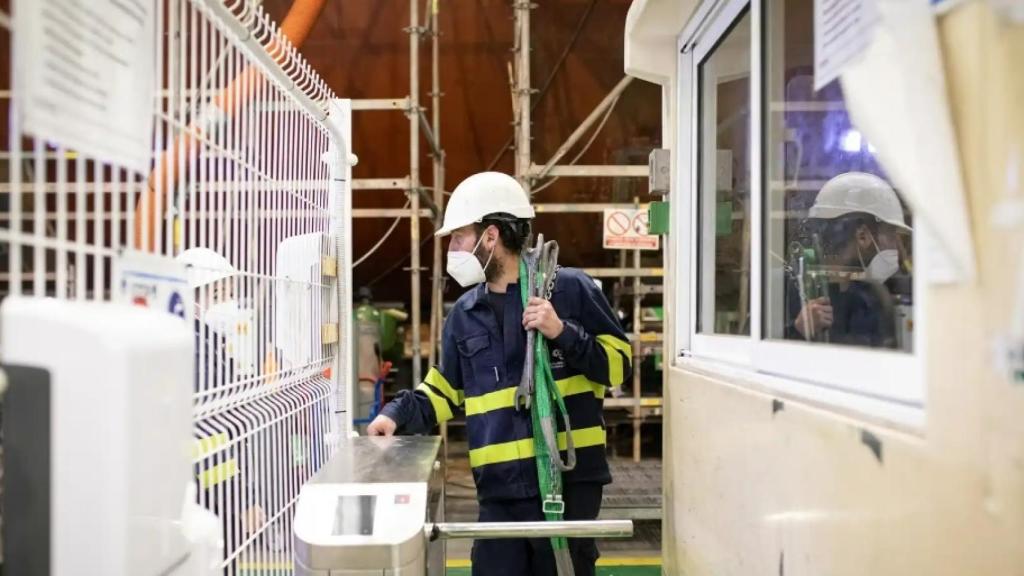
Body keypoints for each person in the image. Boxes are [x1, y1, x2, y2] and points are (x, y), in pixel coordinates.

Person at [367, 172, 632, 576]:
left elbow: (618, 366)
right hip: (499, 493)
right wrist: (395, 414)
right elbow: (444, 390)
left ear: (490, 237)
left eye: (458, 238)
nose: (453, 249)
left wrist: (562, 332)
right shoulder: (464, 314)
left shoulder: (571, 290)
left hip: (567, 487)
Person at [787, 171, 913, 349]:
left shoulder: (873, 297)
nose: (896, 248)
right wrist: (798, 330)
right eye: (891, 235)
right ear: (862, 236)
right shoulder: (788, 288)